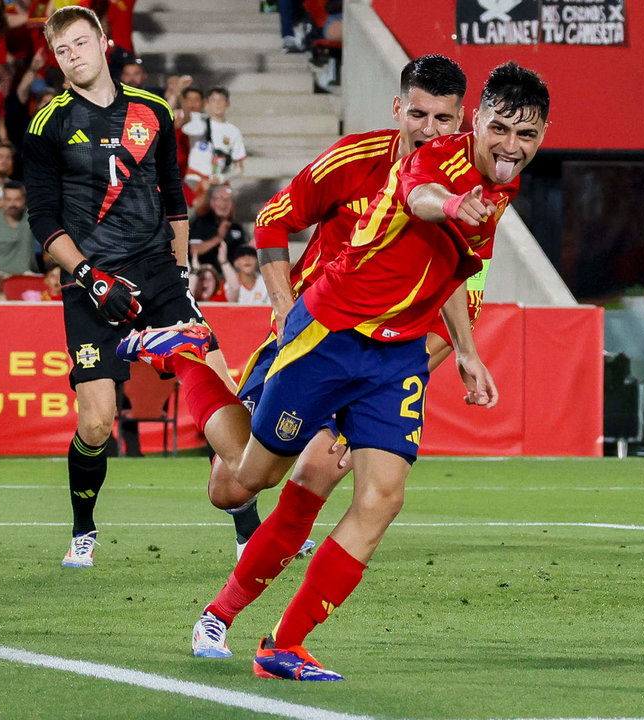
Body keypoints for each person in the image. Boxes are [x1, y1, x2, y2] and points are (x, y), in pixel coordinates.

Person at [120, 61, 549, 679]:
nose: (512, 146)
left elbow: (454, 266)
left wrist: (465, 349)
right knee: (240, 482)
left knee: (379, 495)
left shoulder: (498, 182)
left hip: (394, 355)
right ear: (473, 123)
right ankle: (188, 358)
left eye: (527, 137)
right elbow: (422, 198)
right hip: (326, 333)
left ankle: (279, 644)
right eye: (501, 129)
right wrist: (454, 203)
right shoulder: (425, 164)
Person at [181, 53, 469, 659]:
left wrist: (400, 383)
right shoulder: (357, 160)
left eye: (444, 120)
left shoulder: (472, 193)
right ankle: (188, 358)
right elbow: (271, 223)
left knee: (322, 484)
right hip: (312, 341)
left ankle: (228, 620)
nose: (430, 130)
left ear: (461, 120)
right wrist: (287, 311)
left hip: (382, 368)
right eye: (418, 114)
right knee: (232, 489)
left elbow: (456, 306)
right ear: (398, 109)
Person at [21, 6, 229, 569]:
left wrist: (181, 270)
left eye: (81, 44)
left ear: (106, 43)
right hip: (89, 279)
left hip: (156, 270)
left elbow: (174, 196)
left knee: (216, 384)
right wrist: (90, 277)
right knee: (96, 420)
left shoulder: (154, 110)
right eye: (62, 51)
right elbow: (43, 221)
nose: (73, 56)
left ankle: (249, 529)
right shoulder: (48, 123)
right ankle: (84, 528)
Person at [182, 87, 246, 189]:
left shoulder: (234, 131)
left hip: (217, 182)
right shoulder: (197, 122)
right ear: (206, 104)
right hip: (195, 179)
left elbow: (239, 167)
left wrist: (223, 177)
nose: (217, 104)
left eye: (221, 100)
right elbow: (185, 127)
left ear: (227, 103)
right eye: (213, 100)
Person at [188, 183, 247, 272]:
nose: (224, 203)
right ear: (212, 202)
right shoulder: (201, 222)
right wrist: (219, 238)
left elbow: (242, 256)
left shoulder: (236, 227)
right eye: (220, 199)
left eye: (228, 199)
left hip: (229, 277)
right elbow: (194, 250)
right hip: (205, 276)